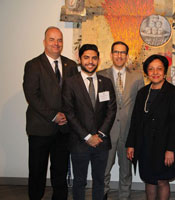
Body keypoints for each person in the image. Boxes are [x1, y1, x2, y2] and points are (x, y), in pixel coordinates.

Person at [23, 26, 78, 200]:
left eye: (59, 40)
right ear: (44, 42)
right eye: (52, 39)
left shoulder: (71, 65)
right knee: (37, 171)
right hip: (40, 128)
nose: (56, 43)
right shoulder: (33, 65)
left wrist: (66, 116)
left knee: (60, 171)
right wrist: (54, 115)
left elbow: (75, 96)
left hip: (63, 130)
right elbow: (32, 95)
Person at [126, 55, 175, 200]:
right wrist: (131, 144)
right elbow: (135, 121)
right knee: (149, 179)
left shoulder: (173, 93)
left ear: (165, 72)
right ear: (146, 72)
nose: (155, 72)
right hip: (145, 145)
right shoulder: (142, 93)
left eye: (159, 69)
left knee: (162, 180)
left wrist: (171, 149)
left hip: (164, 146)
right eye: (151, 69)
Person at [62, 44, 117, 200]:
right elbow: (69, 113)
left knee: (100, 181)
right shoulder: (70, 82)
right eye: (86, 57)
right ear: (79, 59)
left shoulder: (106, 82)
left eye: (94, 58)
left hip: (101, 141)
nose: (90, 61)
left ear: (98, 60)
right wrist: (87, 136)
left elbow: (111, 110)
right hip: (79, 142)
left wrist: (99, 134)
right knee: (79, 181)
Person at [98, 41, 144, 200]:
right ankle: (102, 194)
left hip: (128, 131)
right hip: (107, 132)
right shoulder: (101, 75)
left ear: (127, 55)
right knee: (104, 168)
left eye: (122, 52)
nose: (119, 55)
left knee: (126, 170)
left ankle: (124, 197)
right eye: (116, 52)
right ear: (111, 54)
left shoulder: (137, 76)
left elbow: (139, 106)